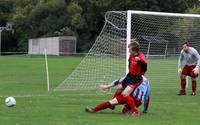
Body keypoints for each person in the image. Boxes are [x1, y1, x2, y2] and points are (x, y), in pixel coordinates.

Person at [85, 75, 150, 116]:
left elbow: (118, 81)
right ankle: (131, 111)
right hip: (138, 102)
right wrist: (145, 109)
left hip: (129, 97)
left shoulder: (134, 76)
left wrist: (107, 86)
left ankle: (94, 110)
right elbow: (147, 97)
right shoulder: (147, 81)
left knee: (119, 90)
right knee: (124, 111)